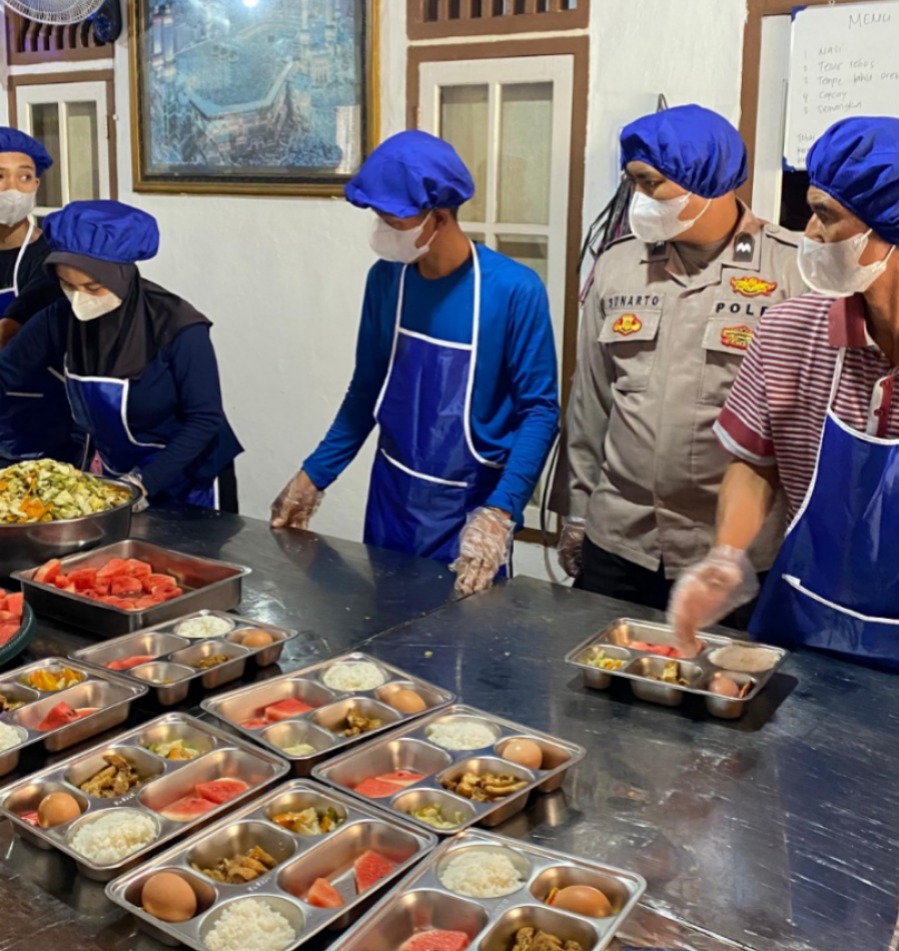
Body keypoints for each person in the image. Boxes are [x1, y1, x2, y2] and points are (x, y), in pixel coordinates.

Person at [271, 130, 559, 594]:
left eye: (391, 219)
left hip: (470, 509)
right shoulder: (386, 282)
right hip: (392, 499)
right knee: (380, 640)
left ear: (438, 216)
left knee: (459, 652)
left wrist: (501, 512)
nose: (381, 230)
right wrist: (314, 474)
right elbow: (364, 391)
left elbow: (541, 412)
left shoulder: (513, 291)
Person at [668, 116, 899, 666]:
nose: (810, 236)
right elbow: (754, 463)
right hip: (807, 627)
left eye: (826, 216)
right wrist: (727, 554)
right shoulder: (788, 331)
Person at [557, 104, 804, 618]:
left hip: (732, 555)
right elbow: (592, 405)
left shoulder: (791, 271)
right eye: (633, 185)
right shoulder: (618, 265)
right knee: (597, 685)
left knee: (722, 691)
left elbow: (803, 432)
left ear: (704, 179)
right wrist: (579, 512)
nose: (638, 202)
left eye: (651, 184)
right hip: (620, 540)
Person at [0, 200, 242, 510]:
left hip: (191, 478)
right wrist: (124, 484)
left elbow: (204, 420)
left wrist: (144, 482)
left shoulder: (179, 326)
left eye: (93, 287)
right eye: (67, 285)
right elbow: (6, 373)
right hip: (119, 477)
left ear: (121, 276)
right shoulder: (58, 319)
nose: (79, 300)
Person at [0, 127, 78, 466]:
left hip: (44, 419)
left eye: (24, 176)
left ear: (36, 185)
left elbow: (9, 334)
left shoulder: (52, 258)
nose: (12, 189)